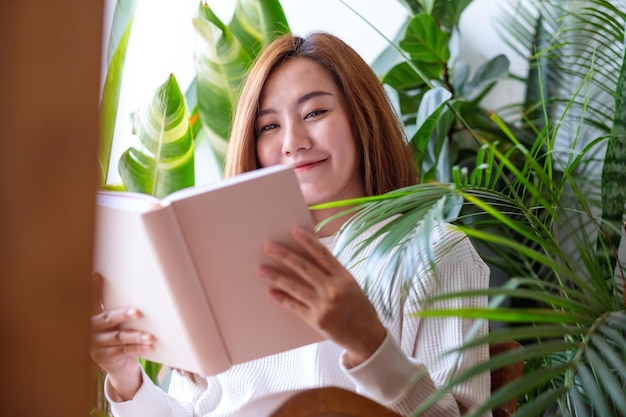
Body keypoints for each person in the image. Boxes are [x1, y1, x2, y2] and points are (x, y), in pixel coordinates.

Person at [90, 31, 491, 417]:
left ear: (361, 118)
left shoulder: (434, 253)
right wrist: (127, 379)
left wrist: (370, 343)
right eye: (270, 126)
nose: (292, 141)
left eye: (315, 112)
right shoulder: (223, 266)